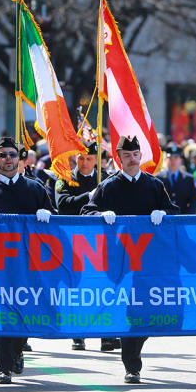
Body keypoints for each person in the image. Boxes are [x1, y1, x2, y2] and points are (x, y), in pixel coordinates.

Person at [81, 135, 179, 384]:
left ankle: (133, 351)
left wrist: (163, 212)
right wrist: (101, 214)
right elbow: (86, 211)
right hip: (119, 261)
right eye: (127, 155)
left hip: (149, 261)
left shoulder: (154, 185)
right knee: (131, 312)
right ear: (119, 158)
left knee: (148, 313)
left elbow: (174, 211)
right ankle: (132, 365)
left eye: (135, 155)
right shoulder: (108, 186)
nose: (132, 159)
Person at [0, 137, 55, 384]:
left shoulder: (36, 189)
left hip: (28, 264)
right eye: (2, 155)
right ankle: (3, 366)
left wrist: (47, 214)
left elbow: (55, 222)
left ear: (19, 159)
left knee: (24, 311)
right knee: (2, 314)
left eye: (12, 155)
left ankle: (17, 351)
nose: (8, 159)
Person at [54, 141, 118, 352]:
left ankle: (105, 334)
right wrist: (88, 197)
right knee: (77, 286)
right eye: (81, 158)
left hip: (100, 240)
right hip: (74, 239)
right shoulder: (65, 177)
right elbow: (63, 204)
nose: (84, 163)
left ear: (97, 160)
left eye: (89, 159)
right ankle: (78, 333)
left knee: (102, 286)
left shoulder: (106, 179)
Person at [155, 143, 196, 215]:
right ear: (166, 160)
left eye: (176, 158)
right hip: (164, 219)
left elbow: (193, 202)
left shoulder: (189, 179)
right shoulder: (158, 178)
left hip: (183, 218)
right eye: (170, 158)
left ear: (180, 160)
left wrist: (189, 218)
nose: (173, 161)